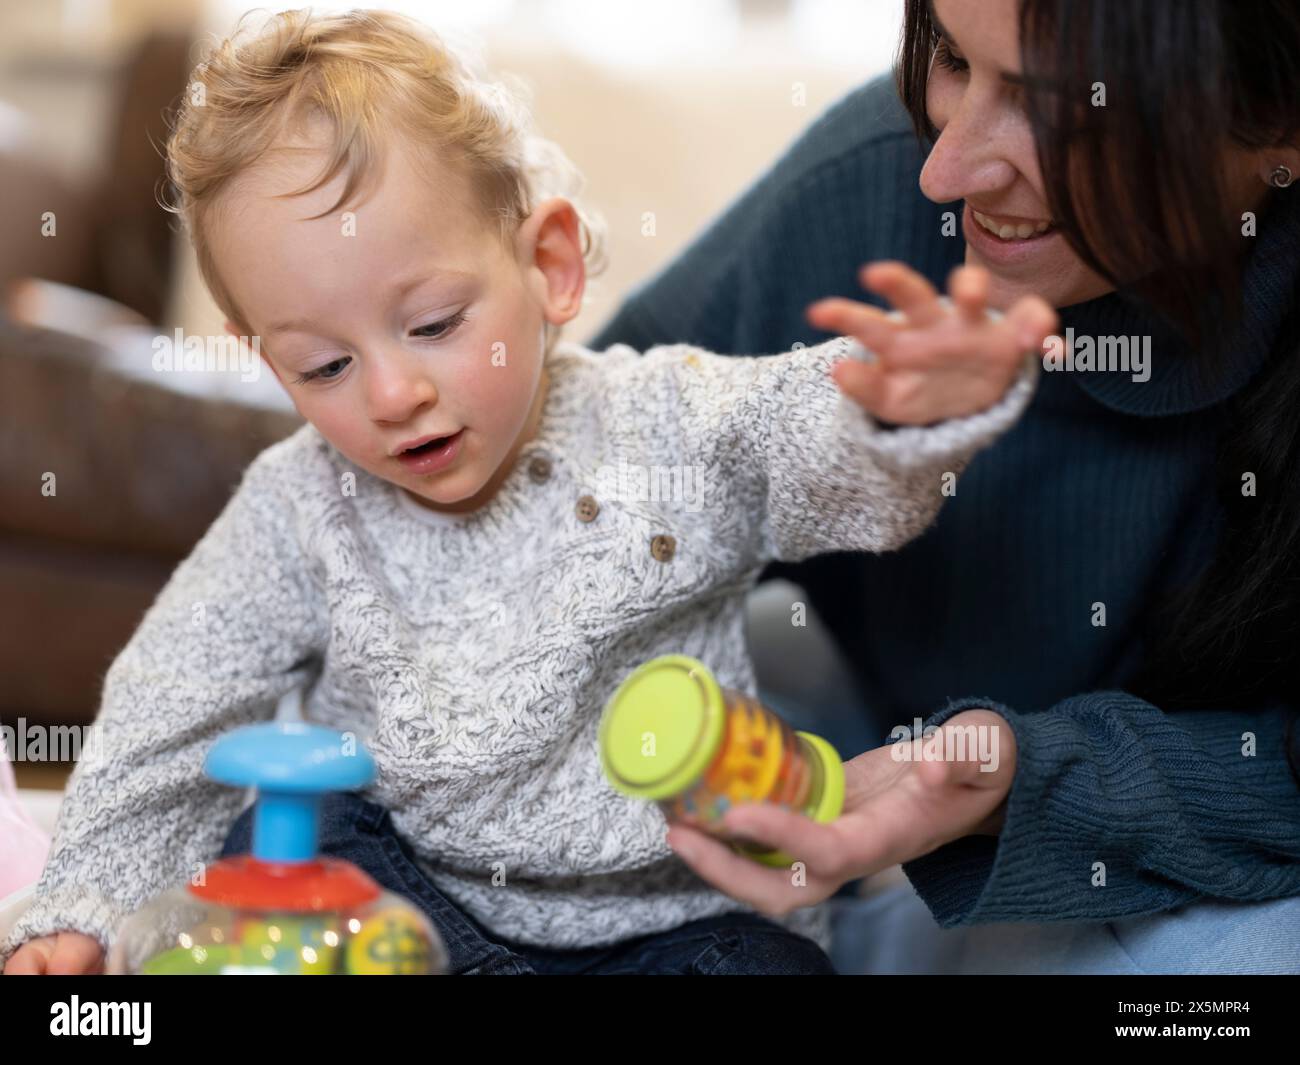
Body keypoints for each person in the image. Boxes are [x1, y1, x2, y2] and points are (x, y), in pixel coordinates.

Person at [0, 8, 1054, 976]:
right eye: (323, 367)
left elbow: (798, 437)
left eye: (434, 325)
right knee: (274, 852)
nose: (394, 394)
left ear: (546, 263)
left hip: (677, 914)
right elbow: (172, 697)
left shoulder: (663, 419)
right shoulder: (298, 503)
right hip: (408, 885)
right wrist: (81, 901)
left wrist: (893, 408)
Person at [593, 0, 1300, 974]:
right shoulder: (874, 176)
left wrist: (1016, 779)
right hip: (867, 717)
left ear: (1277, 126)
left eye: (1057, 108)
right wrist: (849, 437)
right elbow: (582, 479)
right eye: (952, 62)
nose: (946, 171)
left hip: (1169, 835)